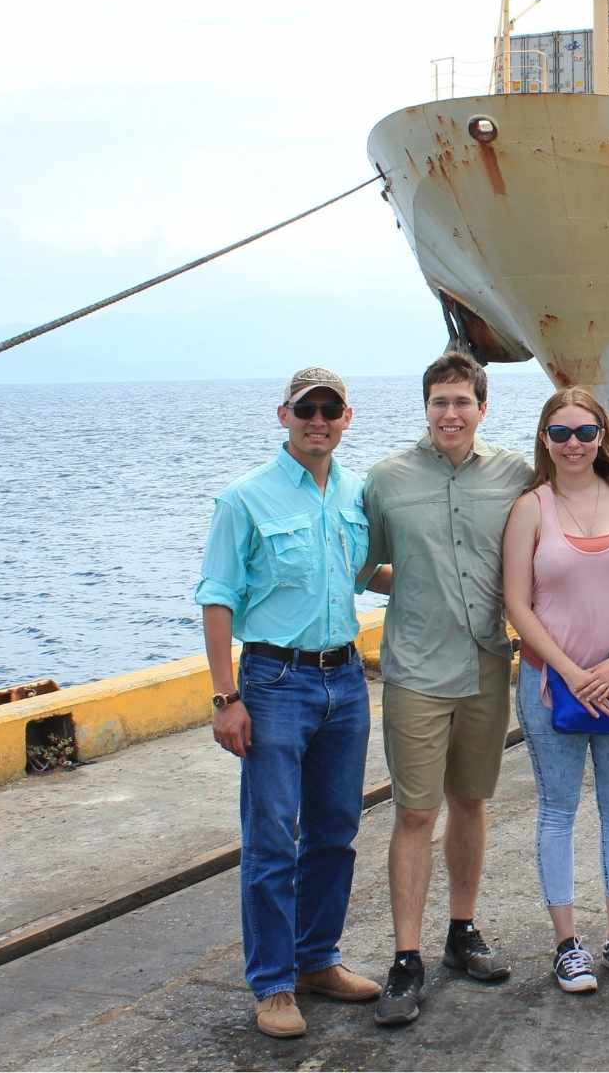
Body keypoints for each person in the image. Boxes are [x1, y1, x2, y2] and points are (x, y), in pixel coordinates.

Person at [196, 367, 381, 1038]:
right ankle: (273, 984)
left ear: (347, 418)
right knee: (273, 838)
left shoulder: (356, 493)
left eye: (331, 410)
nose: (319, 420)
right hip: (274, 683)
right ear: (284, 414)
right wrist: (226, 697)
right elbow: (217, 598)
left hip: (345, 681)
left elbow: (361, 570)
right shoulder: (244, 500)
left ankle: (316, 960)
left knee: (335, 833)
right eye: (308, 409)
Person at [360, 353, 533, 1026]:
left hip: (489, 665)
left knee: (472, 801)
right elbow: (365, 565)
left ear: (482, 409)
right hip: (416, 671)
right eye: (440, 402)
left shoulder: (515, 475)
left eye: (462, 402)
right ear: (425, 407)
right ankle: (407, 958)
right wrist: (416, 586)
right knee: (413, 813)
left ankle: (462, 932)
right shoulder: (387, 480)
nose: (451, 414)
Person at [502, 387, 609, 993]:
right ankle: (566, 942)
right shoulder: (531, 507)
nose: (574, 444)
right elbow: (517, 602)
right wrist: (570, 672)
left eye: (585, 432)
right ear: (545, 439)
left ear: (603, 437)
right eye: (560, 433)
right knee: (558, 809)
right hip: (554, 685)